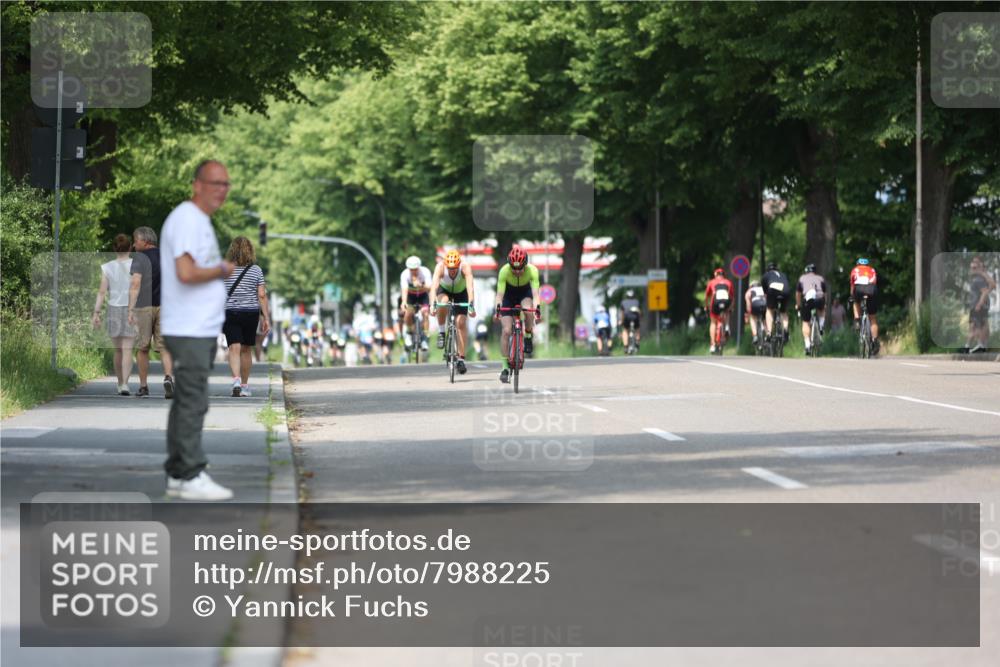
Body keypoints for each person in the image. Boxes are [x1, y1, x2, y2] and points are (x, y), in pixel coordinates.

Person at [160, 159, 235, 501]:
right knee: (193, 400)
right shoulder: (188, 219)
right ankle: (191, 473)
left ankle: (178, 473)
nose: (222, 190)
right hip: (189, 326)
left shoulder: (197, 220)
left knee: (186, 402)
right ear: (197, 185)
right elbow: (186, 272)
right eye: (215, 183)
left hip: (196, 326)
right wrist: (221, 269)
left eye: (225, 184)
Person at [128, 226, 172, 398]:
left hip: (144, 307)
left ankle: (144, 386)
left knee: (143, 348)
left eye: (136, 241)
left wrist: (130, 309)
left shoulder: (140, 258)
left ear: (145, 241)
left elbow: (135, 284)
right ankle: (168, 378)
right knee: (165, 347)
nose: (134, 244)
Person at [222, 236, 270, 397]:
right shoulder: (256, 270)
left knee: (233, 347)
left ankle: (236, 380)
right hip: (250, 313)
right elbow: (261, 295)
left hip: (231, 312)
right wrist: (266, 318)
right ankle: (244, 385)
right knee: (246, 349)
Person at [92, 234, 136, 396]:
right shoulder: (136, 265)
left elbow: (102, 292)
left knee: (118, 350)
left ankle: (119, 382)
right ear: (130, 248)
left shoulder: (107, 267)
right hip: (131, 309)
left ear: (114, 249)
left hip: (113, 309)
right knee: (128, 349)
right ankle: (125, 384)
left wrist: (96, 313)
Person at [494, 245, 541, 383]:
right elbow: (499, 295)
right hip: (508, 296)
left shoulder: (532, 271)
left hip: (525, 293)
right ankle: (504, 368)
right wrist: (497, 309)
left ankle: (528, 335)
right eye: (514, 268)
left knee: (528, 309)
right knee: (506, 331)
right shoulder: (504, 271)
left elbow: (535, 295)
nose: (517, 271)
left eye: (520, 268)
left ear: (525, 264)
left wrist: (537, 308)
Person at [430, 249, 476, 374]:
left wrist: (471, 305)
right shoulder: (440, 267)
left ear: (458, 264)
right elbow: (433, 288)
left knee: (461, 323)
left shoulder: (465, 267)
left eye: (454, 268)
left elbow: (470, 288)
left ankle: (461, 359)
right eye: (450, 268)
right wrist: (432, 305)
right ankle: (441, 332)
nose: (452, 271)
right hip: (444, 291)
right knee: (443, 302)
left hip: (461, 293)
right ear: (445, 265)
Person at [400, 255, 433, 353]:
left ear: (419, 267)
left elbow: (430, 288)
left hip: (423, 296)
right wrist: (404, 302)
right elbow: (404, 290)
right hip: (411, 296)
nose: (413, 271)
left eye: (415, 269)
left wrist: (421, 285)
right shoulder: (405, 274)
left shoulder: (425, 272)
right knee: (408, 313)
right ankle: (409, 333)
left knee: (425, 313)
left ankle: (425, 337)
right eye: (411, 269)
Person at [849, 257, 879, 354]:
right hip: (871, 289)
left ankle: (857, 320)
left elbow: (852, 285)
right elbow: (874, 282)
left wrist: (852, 295)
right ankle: (875, 341)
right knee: (873, 318)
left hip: (859, 289)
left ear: (858, 264)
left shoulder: (855, 270)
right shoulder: (872, 270)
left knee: (856, 302)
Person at [796, 263, 828, 354]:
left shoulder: (802, 278)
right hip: (819, 298)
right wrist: (825, 304)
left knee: (806, 322)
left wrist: (798, 305)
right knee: (822, 310)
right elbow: (825, 293)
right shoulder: (820, 278)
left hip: (807, 299)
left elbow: (798, 293)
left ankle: (807, 345)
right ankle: (821, 325)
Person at [967, 255, 996, 353]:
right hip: (979, 302)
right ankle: (979, 345)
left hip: (981, 303)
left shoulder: (982, 275)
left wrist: (981, 300)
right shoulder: (976, 276)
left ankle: (981, 345)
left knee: (981, 325)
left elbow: (992, 285)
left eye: (976, 262)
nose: (974, 264)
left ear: (981, 265)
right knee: (979, 325)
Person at [704, 268, 734, 353]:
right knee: (727, 311)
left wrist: (706, 306)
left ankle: (713, 345)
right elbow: (732, 297)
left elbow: (706, 296)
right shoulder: (728, 282)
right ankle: (727, 326)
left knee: (713, 322)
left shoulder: (711, 282)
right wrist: (731, 308)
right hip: (726, 302)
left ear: (715, 274)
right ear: (723, 275)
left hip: (715, 303)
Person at [761, 261, 792, 343]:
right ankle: (785, 329)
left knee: (769, 310)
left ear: (768, 270)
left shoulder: (766, 275)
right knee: (783, 312)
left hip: (772, 290)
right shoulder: (783, 274)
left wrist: (769, 301)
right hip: (786, 290)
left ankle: (769, 333)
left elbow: (765, 293)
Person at [743, 280, 767, 345]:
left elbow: (748, 304)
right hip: (764, 304)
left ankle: (755, 335)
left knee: (752, 318)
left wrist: (749, 313)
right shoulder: (763, 289)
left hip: (755, 304)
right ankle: (767, 334)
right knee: (765, 319)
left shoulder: (749, 291)